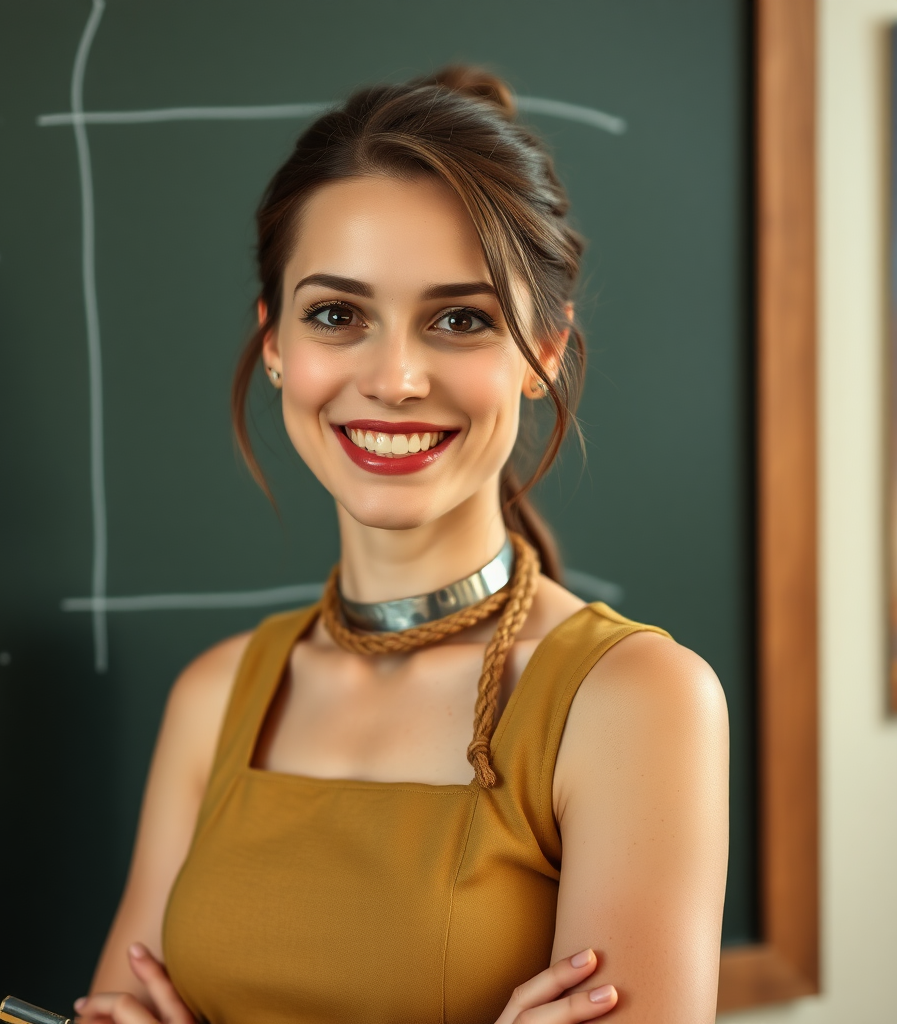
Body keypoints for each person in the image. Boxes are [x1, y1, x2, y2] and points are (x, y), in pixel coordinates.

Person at [74, 66, 729, 1024]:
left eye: (460, 320)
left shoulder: (633, 700)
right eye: (338, 315)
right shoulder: (217, 696)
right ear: (274, 343)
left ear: (543, 353)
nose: (394, 378)